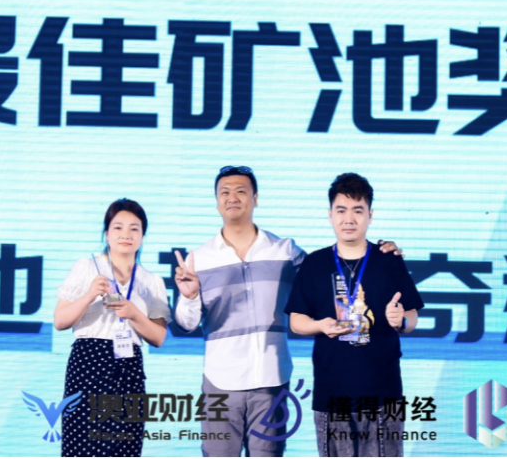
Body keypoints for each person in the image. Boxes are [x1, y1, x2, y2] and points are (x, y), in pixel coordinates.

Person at [173, 166, 403, 459]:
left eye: (241, 191)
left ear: (255, 198)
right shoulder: (200, 258)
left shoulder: (285, 251)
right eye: (224, 192)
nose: (233, 197)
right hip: (221, 380)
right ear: (217, 201)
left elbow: (331, 272)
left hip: (272, 377)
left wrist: (382, 253)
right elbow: (186, 324)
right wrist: (190, 296)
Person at [285, 173, 424, 458]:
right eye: (341, 210)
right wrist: (320, 325)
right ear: (330, 215)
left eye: (357, 211)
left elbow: (411, 316)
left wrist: (401, 320)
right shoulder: (315, 263)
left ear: (370, 215)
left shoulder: (389, 260)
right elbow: (296, 321)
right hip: (332, 392)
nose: (349, 219)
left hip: (383, 392)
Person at [54, 199, 172, 459]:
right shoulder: (87, 267)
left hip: (129, 367)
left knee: (124, 448)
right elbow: (60, 321)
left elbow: (159, 337)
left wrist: (134, 314)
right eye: (118, 228)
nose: (125, 234)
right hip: (88, 364)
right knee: (82, 447)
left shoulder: (152, 281)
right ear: (107, 233)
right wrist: (88, 296)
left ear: (142, 236)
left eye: (134, 229)